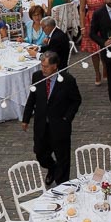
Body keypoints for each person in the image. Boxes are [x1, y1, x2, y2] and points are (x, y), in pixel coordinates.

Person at [22, 50, 81, 186]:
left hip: (60, 125)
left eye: (46, 66)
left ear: (55, 66)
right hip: (41, 124)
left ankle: (62, 186)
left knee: (63, 158)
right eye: (42, 66)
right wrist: (26, 119)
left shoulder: (67, 80)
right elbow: (32, 98)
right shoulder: (37, 77)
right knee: (40, 153)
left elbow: (76, 100)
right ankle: (52, 168)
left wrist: (67, 118)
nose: (43, 69)